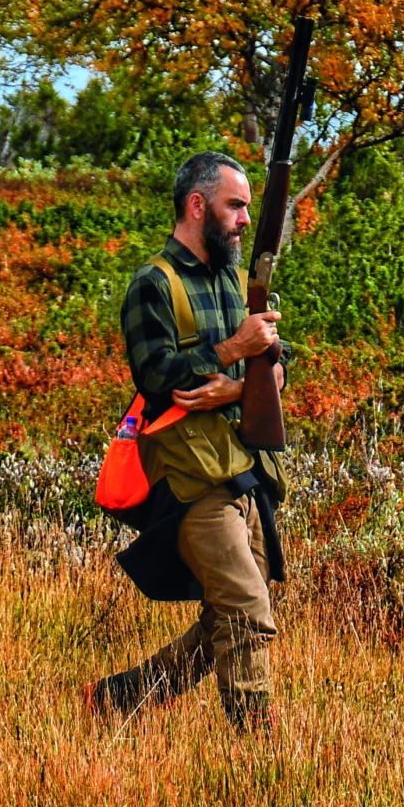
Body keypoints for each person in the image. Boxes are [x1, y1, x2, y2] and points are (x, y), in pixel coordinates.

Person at [85, 150, 287, 731]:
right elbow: (155, 380)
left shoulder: (232, 278)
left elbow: (277, 366)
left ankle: (121, 699)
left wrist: (235, 386)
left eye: (249, 206)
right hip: (188, 477)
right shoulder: (152, 285)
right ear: (197, 206)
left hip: (243, 467)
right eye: (235, 206)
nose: (246, 219)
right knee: (247, 610)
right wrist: (231, 353)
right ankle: (255, 747)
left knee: (232, 611)